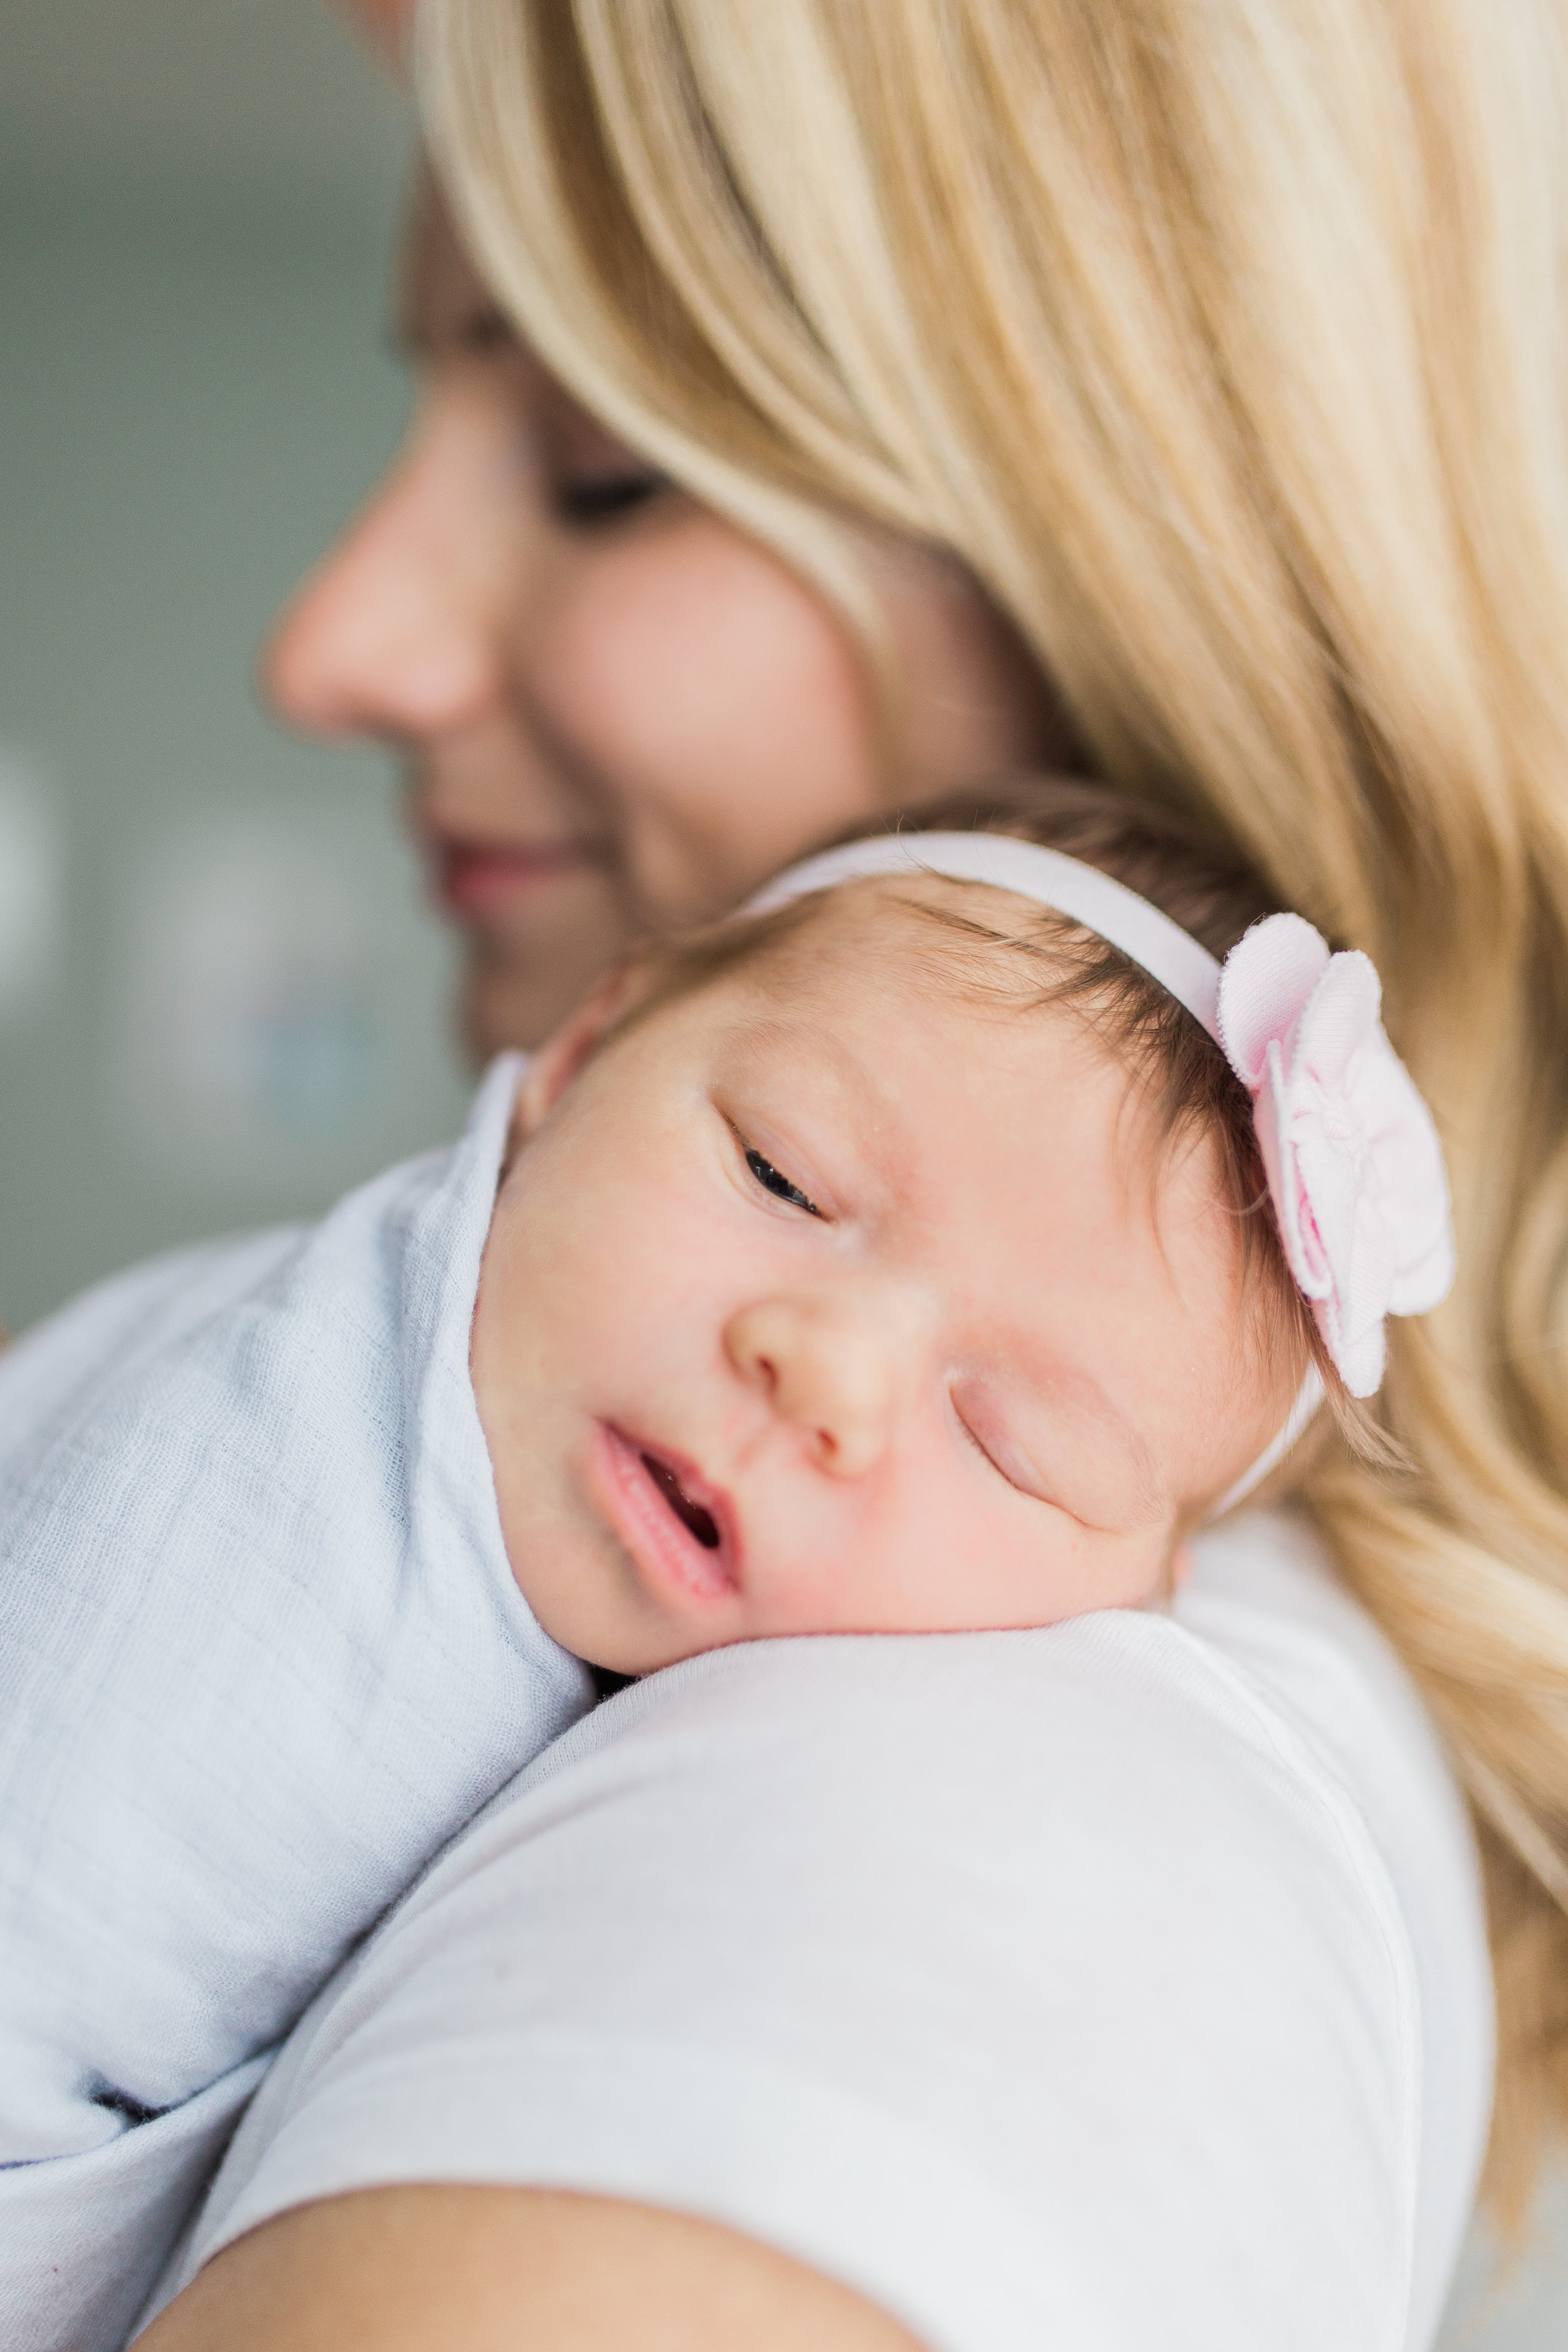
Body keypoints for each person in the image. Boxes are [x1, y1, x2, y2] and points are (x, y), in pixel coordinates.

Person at [81, 0, 1568, 2340]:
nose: (329, 645)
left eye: (595, 462)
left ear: (1154, 570)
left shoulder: (946, 1784)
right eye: (778, 1172)